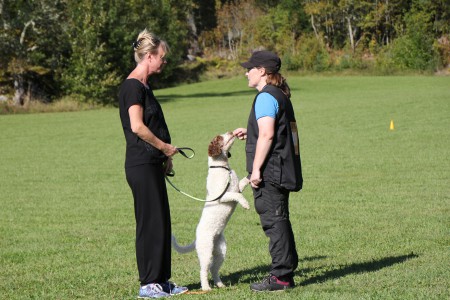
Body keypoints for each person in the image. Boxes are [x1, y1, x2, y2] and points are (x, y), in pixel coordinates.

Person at [118, 29, 188, 298]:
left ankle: (162, 281)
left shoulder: (145, 86)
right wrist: (165, 148)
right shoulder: (132, 86)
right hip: (140, 164)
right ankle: (148, 284)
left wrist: (165, 158)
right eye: (162, 57)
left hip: (152, 163)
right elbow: (137, 127)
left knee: (161, 223)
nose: (164, 61)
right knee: (149, 224)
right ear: (149, 56)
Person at [233, 50, 303, 292]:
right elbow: (271, 131)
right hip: (282, 168)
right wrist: (249, 131)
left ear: (262, 71)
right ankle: (285, 272)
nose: (246, 72)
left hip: (271, 172)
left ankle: (281, 276)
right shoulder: (279, 94)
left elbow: (268, 134)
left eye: (250, 68)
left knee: (274, 222)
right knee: (280, 219)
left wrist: (255, 170)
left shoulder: (265, 97)